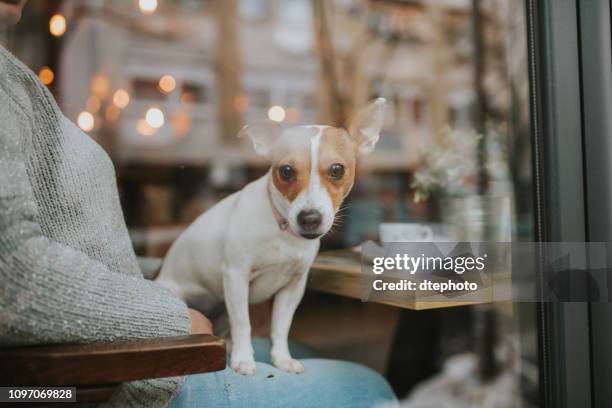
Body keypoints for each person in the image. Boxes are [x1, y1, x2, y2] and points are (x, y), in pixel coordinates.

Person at [0, 1, 397, 407]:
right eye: (290, 173)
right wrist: (172, 313)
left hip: (148, 343)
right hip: (137, 368)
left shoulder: (13, 76)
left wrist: (170, 273)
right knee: (374, 387)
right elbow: (13, 276)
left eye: (334, 173)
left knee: (306, 352)